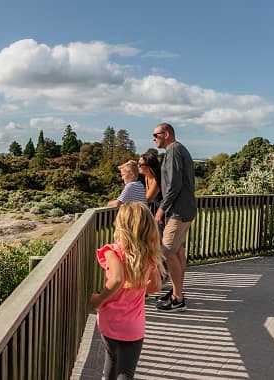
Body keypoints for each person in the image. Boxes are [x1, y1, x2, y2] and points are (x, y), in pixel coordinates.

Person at [88, 202, 164, 380]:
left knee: (111, 363)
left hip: (109, 321)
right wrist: (140, 283)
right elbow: (155, 286)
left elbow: (116, 279)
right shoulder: (148, 256)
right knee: (126, 373)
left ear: (121, 225)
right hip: (133, 326)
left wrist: (98, 300)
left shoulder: (112, 251)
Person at [152, 122, 197, 312]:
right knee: (177, 252)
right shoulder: (179, 150)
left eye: (156, 134)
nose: (153, 138)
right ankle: (178, 292)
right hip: (184, 209)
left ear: (167, 134)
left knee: (166, 251)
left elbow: (174, 186)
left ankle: (178, 299)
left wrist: (161, 209)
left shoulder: (173, 151)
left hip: (178, 211)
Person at [138, 152, 162, 218]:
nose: (138, 166)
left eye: (140, 164)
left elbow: (147, 199)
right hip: (153, 212)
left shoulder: (157, 179)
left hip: (161, 215)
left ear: (149, 166)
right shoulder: (147, 177)